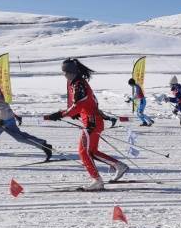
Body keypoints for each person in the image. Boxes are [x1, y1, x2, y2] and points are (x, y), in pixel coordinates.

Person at [47, 58, 128, 191]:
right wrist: (77, 114)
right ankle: (119, 166)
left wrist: (60, 114)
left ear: (71, 71)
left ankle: (97, 181)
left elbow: (78, 105)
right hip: (93, 120)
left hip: (91, 122)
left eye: (65, 72)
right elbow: (87, 104)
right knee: (92, 152)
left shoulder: (78, 84)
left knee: (83, 152)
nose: (64, 75)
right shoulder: (78, 83)